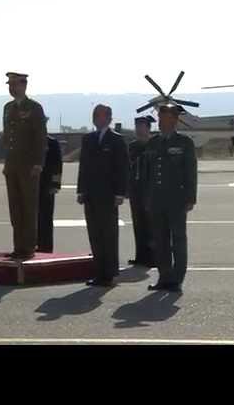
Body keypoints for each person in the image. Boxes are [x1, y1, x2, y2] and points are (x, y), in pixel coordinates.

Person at [145, 104, 198, 293]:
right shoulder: (153, 142)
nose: (161, 122)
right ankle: (164, 276)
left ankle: (176, 279)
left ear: (174, 120)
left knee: (178, 240)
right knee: (160, 240)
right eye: (160, 119)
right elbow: (148, 172)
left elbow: (190, 172)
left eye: (165, 119)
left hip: (177, 199)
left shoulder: (184, 143)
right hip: (157, 199)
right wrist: (147, 197)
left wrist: (191, 197)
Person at [77, 104, 129, 287]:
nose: (97, 119)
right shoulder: (88, 139)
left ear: (108, 118)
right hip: (91, 194)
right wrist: (81, 190)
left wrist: (120, 193)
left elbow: (122, 168)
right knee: (95, 234)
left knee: (108, 234)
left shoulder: (116, 140)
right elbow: (83, 167)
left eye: (100, 115)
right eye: (95, 115)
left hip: (108, 195)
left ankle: (110, 272)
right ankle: (99, 272)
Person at [2, 72, 48, 260]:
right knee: (15, 208)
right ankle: (18, 245)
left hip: (29, 165)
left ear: (24, 86)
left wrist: (38, 162)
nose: (12, 88)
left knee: (28, 207)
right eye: (9, 85)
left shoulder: (34, 108)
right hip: (12, 165)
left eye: (15, 85)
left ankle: (28, 246)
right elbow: (7, 135)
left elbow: (40, 137)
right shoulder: (8, 107)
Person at [127, 115, 156, 268]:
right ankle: (141, 256)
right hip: (135, 190)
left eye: (142, 127)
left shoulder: (155, 145)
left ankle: (153, 256)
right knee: (138, 223)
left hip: (150, 190)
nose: (138, 130)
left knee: (151, 224)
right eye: (137, 127)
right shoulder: (132, 146)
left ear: (148, 128)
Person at [37, 123, 63, 252]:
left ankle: (46, 247)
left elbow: (57, 166)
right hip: (32, 187)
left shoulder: (52, 143)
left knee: (46, 218)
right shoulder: (30, 142)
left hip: (47, 187)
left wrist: (55, 185)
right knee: (32, 218)